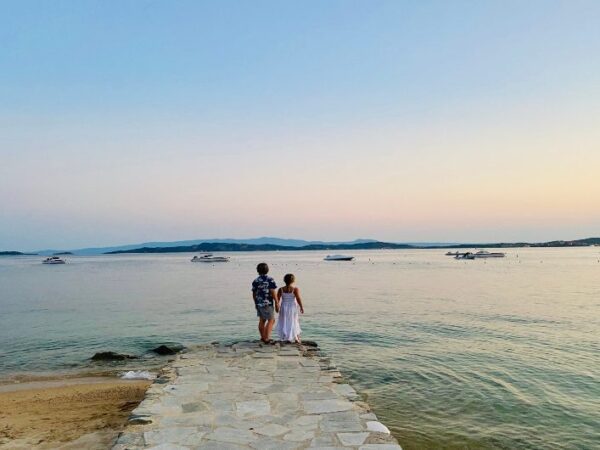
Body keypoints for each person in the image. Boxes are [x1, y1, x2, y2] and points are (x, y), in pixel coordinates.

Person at [251, 262, 278, 344]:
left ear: (258, 270)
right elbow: (272, 291)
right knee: (271, 320)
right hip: (267, 303)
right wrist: (277, 302)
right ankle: (266, 338)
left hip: (259, 303)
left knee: (262, 320)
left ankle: (263, 337)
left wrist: (255, 303)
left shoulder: (255, 281)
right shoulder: (270, 279)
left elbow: (254, 293)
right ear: (267, 270)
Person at [275, 273, 304, 343]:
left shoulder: (281, 289)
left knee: (284, 321)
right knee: (294, 321)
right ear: (293, 281)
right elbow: (298, 298)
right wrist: (301, 307)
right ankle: (296, 338)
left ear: (284, 280)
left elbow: (277, 299)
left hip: (284, 307)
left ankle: (285, 336)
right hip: (292, 307)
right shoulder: (295, 289)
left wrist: (276, 307)